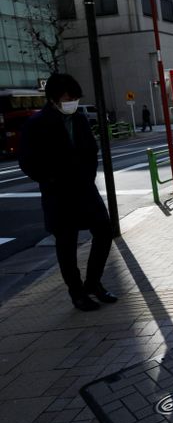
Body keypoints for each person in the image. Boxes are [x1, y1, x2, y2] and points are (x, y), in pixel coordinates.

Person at [18, 73, 118, 311]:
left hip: (85, 189)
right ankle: (77, 293)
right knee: (66, 245)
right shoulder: (37, 123)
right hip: (58, 194)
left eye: (75, 97)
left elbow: (92, 150)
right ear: (53, 98)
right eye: (67, 97)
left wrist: (89, 176)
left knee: (104, 232)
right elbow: (27, 161)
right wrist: (51, 178)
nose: (72, 101)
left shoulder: (80, 119)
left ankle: (93, 283)